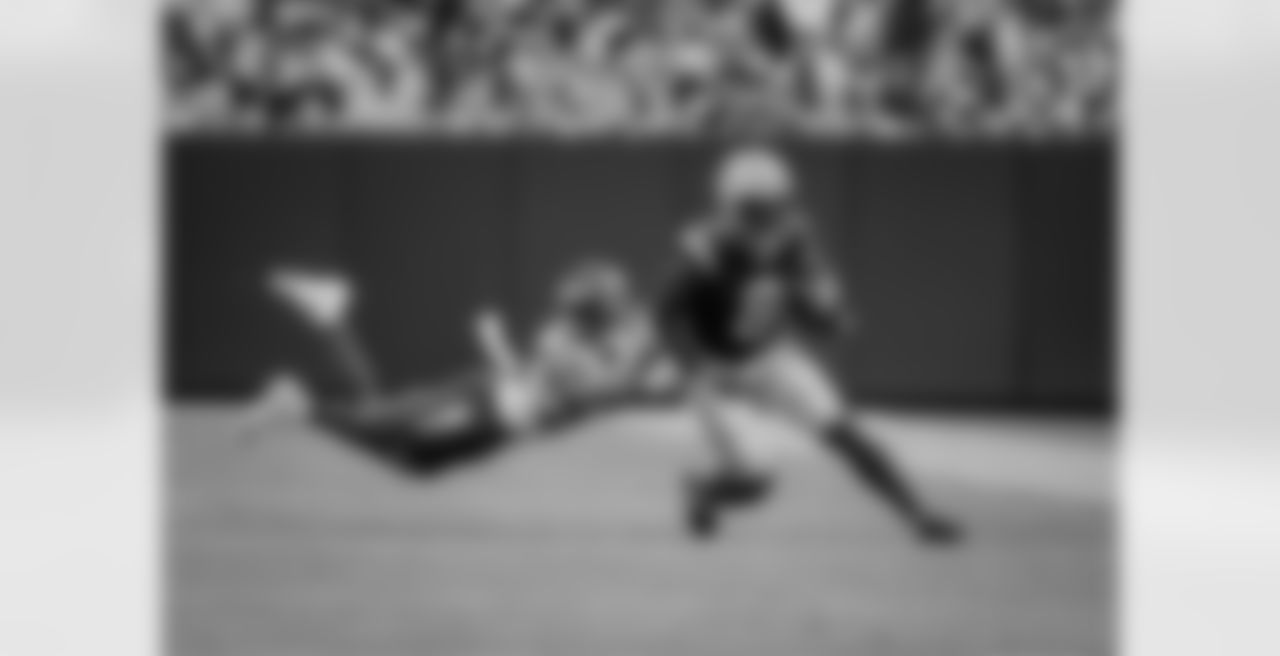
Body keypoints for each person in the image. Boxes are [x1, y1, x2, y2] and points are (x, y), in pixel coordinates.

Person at [659, 144, 964, 544]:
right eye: (752, 208)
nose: (761, 217)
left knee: (844, 433)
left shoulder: (794, 238)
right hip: (715, 370)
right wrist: (688, 365)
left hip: (768, 357)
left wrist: (826, 317)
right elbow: (668, 313)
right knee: (756, 483)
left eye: (767, 207)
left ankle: (918, 517)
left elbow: (798, 300)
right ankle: (704, 490)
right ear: (730, 204)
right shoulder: (705, 246)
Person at [243, 259, 674, 474]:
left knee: (413, 460)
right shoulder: (563, 341)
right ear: (594, 311)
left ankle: (330, 318)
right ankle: (302, 400)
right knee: (381, 423)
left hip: (502, 423)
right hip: (485, 403)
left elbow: (613, 379)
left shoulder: (589, 337)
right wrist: (651, 372)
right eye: (610, 304)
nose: (619, 309)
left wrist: (652, 363)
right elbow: (598, 389)